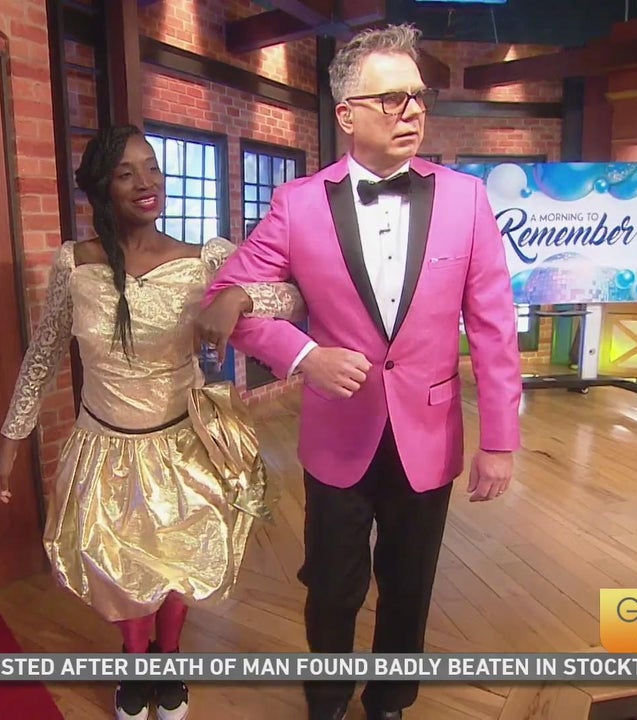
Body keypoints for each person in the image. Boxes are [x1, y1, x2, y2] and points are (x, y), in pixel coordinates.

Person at [197, 23, 523, 720]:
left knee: (410, 585)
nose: (413, 112)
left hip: (429, 431)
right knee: (332, 586)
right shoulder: (298, 204)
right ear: (346, 114)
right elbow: (225, 297)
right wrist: (304, 357)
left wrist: (500, 440)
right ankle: (328, 698)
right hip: (337, 433)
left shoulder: (466, 199)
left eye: (418, 97)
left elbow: (495, 326)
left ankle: (391, 700)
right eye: (392, 99)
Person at [0, 124, 305, 720]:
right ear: (100, 187)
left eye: (152, 167)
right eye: (126, 172)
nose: (146, 182)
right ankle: (136, 662)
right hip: (103, 446)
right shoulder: (74, 264)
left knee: (177, 560)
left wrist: (233, 298)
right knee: (120, 567)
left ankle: (170, 658)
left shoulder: (204, 259)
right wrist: (10, 440)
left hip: (182, 444)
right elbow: (45, 352)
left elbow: (289, 296)